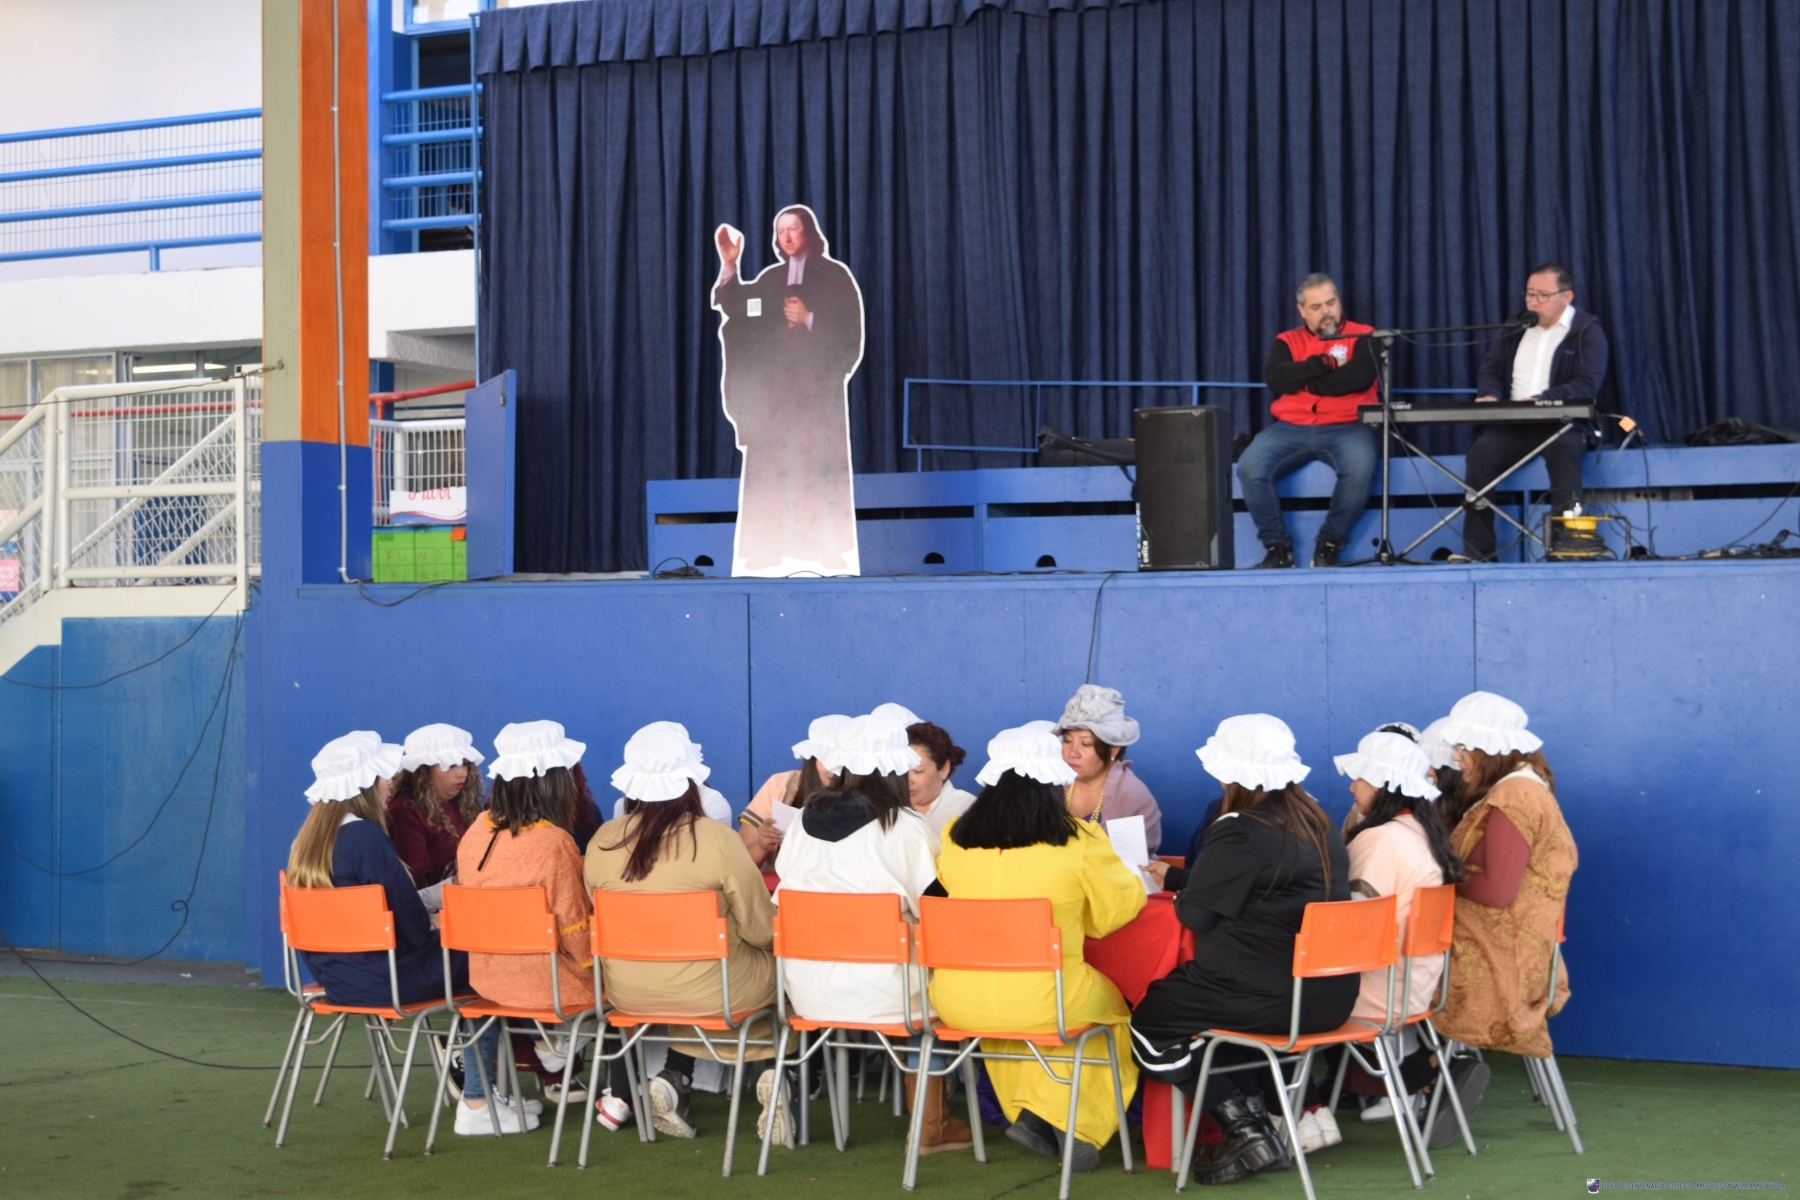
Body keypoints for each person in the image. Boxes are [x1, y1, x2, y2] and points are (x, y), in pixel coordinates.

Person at [1129, 715, 1356, 1187]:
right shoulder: (1318, 821)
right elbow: (1265, 889)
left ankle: (1245, 1128)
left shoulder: (1239, 828)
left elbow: (1196, 916)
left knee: (1150, 1023)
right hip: (1329, 996)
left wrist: (1185, 891)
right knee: (1204, 1026)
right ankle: (1256, 1122)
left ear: (1229, 771)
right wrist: (1188, 882)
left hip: (1260, 996)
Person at [931, 724, 1146, 1174]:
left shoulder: (954, 837)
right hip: (1048, 997)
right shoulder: (1080, 840)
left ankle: (1034, 1113)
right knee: (1108, 1014)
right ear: (1053, 781)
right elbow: (1115, 912)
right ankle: (1079, 1127)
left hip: (957, 1001)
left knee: (1018, 1018)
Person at [289, 732, 528, 1136]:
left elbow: (386, 911)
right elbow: (414, 928)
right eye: (383, 776)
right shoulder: (366, 837)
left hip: (339, 981)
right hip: (389, 980)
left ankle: (491, 1087)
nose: (390, 783)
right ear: (364, 785)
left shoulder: (307, 842)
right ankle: (478, 1098)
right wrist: (447, 917)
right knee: (489, 956)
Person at [770, 714, 967, 1152]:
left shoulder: (800, 823)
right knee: (936, 991)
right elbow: (938, 909)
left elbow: (785, 893)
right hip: (890, 997)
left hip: (807, 994)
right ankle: (931, 1123)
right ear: (895, 770)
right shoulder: (905, 828)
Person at [586, 722, 779, 1142]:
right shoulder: (717, 840)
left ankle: (676, 1079)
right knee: (788, 975)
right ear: (691, 780)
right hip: (717, 990)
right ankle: (781, 1080)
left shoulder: (601, 841)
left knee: (694, 976)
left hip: (627, 993)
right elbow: (762, 930)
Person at [1333, 729, 1475, 1143]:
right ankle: (1429, 1080)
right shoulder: (1424, 833)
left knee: (1279, 989)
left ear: (1381, 785)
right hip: (1417, 983)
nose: (1351, 786)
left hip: (1377, 989)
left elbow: (1351, 925)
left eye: (1359, 778)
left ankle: (1301, 1111)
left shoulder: (1379, 839)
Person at [712, 205, 865, 577]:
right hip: (776, 397)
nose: (786, 237)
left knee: (818, 466)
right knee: (770, 467)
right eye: (781, 231)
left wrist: (809, 319)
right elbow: (739, 309)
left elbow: (851, 332)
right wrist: (730, 264)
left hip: (816, 394)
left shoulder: (835, 276)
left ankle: (825, 548)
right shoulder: (772, 278)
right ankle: (766, 550)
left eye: (793, 229)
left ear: (808, 231)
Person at [456, 720, 597, 1118]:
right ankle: (611, 1087)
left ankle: (542, 1052)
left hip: (487, 978)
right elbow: (575, 932)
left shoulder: (474, 833)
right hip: (549, 985)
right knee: (623, 975)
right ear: (556, 782)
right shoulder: (555, 842)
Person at [1432, 692, 1578, 1064]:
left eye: (1463, 747)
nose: (1455, 757)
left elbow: (1497, 891)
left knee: (1393, 973)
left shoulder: (1515, 795)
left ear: (1490, 750)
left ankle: (1423, 1076)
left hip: (1497, 961)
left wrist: (1437, 876)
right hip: (1517, 953)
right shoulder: (1524, 787)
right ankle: (1431, 1074)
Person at [1458, 264, 1610, 562]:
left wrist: (1543, 400)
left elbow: (1586, 384)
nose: (1533, 302)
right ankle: (1479, 551)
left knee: (1563, 450)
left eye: (1542, 295)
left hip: (1561, 423)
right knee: (1480, 454)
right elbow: (1490, 370)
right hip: (1512, 423)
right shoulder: (1515, 328)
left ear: (1566, 296)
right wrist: (1490, 395)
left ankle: (1566, 545)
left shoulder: (1587, 332)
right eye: (1529, 294)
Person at [1239, 273, 1380, 569]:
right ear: (1302, 310)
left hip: (1348, 426)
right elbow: (1277, 379)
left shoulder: (1366, 335)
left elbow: (1359, 377)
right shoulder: (1286, 341)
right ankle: (1278, 549)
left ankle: (1329, 543)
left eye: (1330, 303)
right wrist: (1326, 364)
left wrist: (1304, 380)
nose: (1326, 311)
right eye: (1316, 307)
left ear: (1338, 300)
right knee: (1249, 466)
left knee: (1360, 467)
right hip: (1290, 427)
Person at [1055, 684, 1163, 852]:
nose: (1072, 753)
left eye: (1086, 743)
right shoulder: (1053, 782)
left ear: (1113, 749)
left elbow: (1132, 862)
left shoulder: (1131, 796)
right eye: (1067, 741)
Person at [737, 713, 850, 867]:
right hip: (783, 882)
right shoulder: (781, 784)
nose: (833, 770)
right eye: (826, 759)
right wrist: (762, 846)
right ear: (812, 757)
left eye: (842, 762)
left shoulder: (869, 794)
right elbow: (739, 865)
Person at [387, 723, 485, 887]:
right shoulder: (405, 811)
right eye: (451, 765)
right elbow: (416, 881)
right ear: (423, 772)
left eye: (465, 764)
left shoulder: (463, 803)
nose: (462, 772)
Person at [903, 720, 975, 852]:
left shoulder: (965, 809)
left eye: (918, 771)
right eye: (901, 771)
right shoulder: (889, 808)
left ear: (944, 768)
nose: (907, 781)